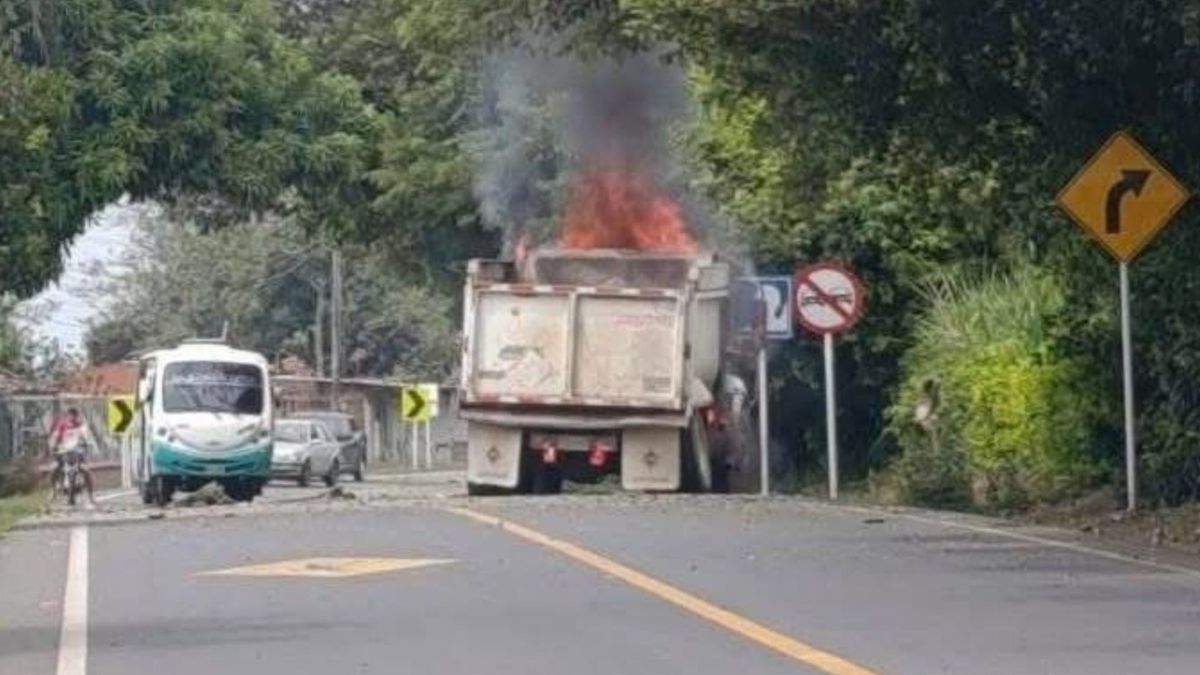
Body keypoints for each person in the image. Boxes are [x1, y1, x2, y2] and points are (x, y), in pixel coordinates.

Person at [49, 408, 96, 505]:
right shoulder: (62, 425)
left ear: (76, 416)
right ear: (67, 416)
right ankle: (53, 491)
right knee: (54, 468)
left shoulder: (81, 426)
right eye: (70, 415)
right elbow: (55, 436)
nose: (72, 418)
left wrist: (89, 444)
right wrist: (53, 445)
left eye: (74, 415)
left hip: (77, 453)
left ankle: (90, 495)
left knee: (86, 470)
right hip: (64, 451)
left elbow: (87, 437)